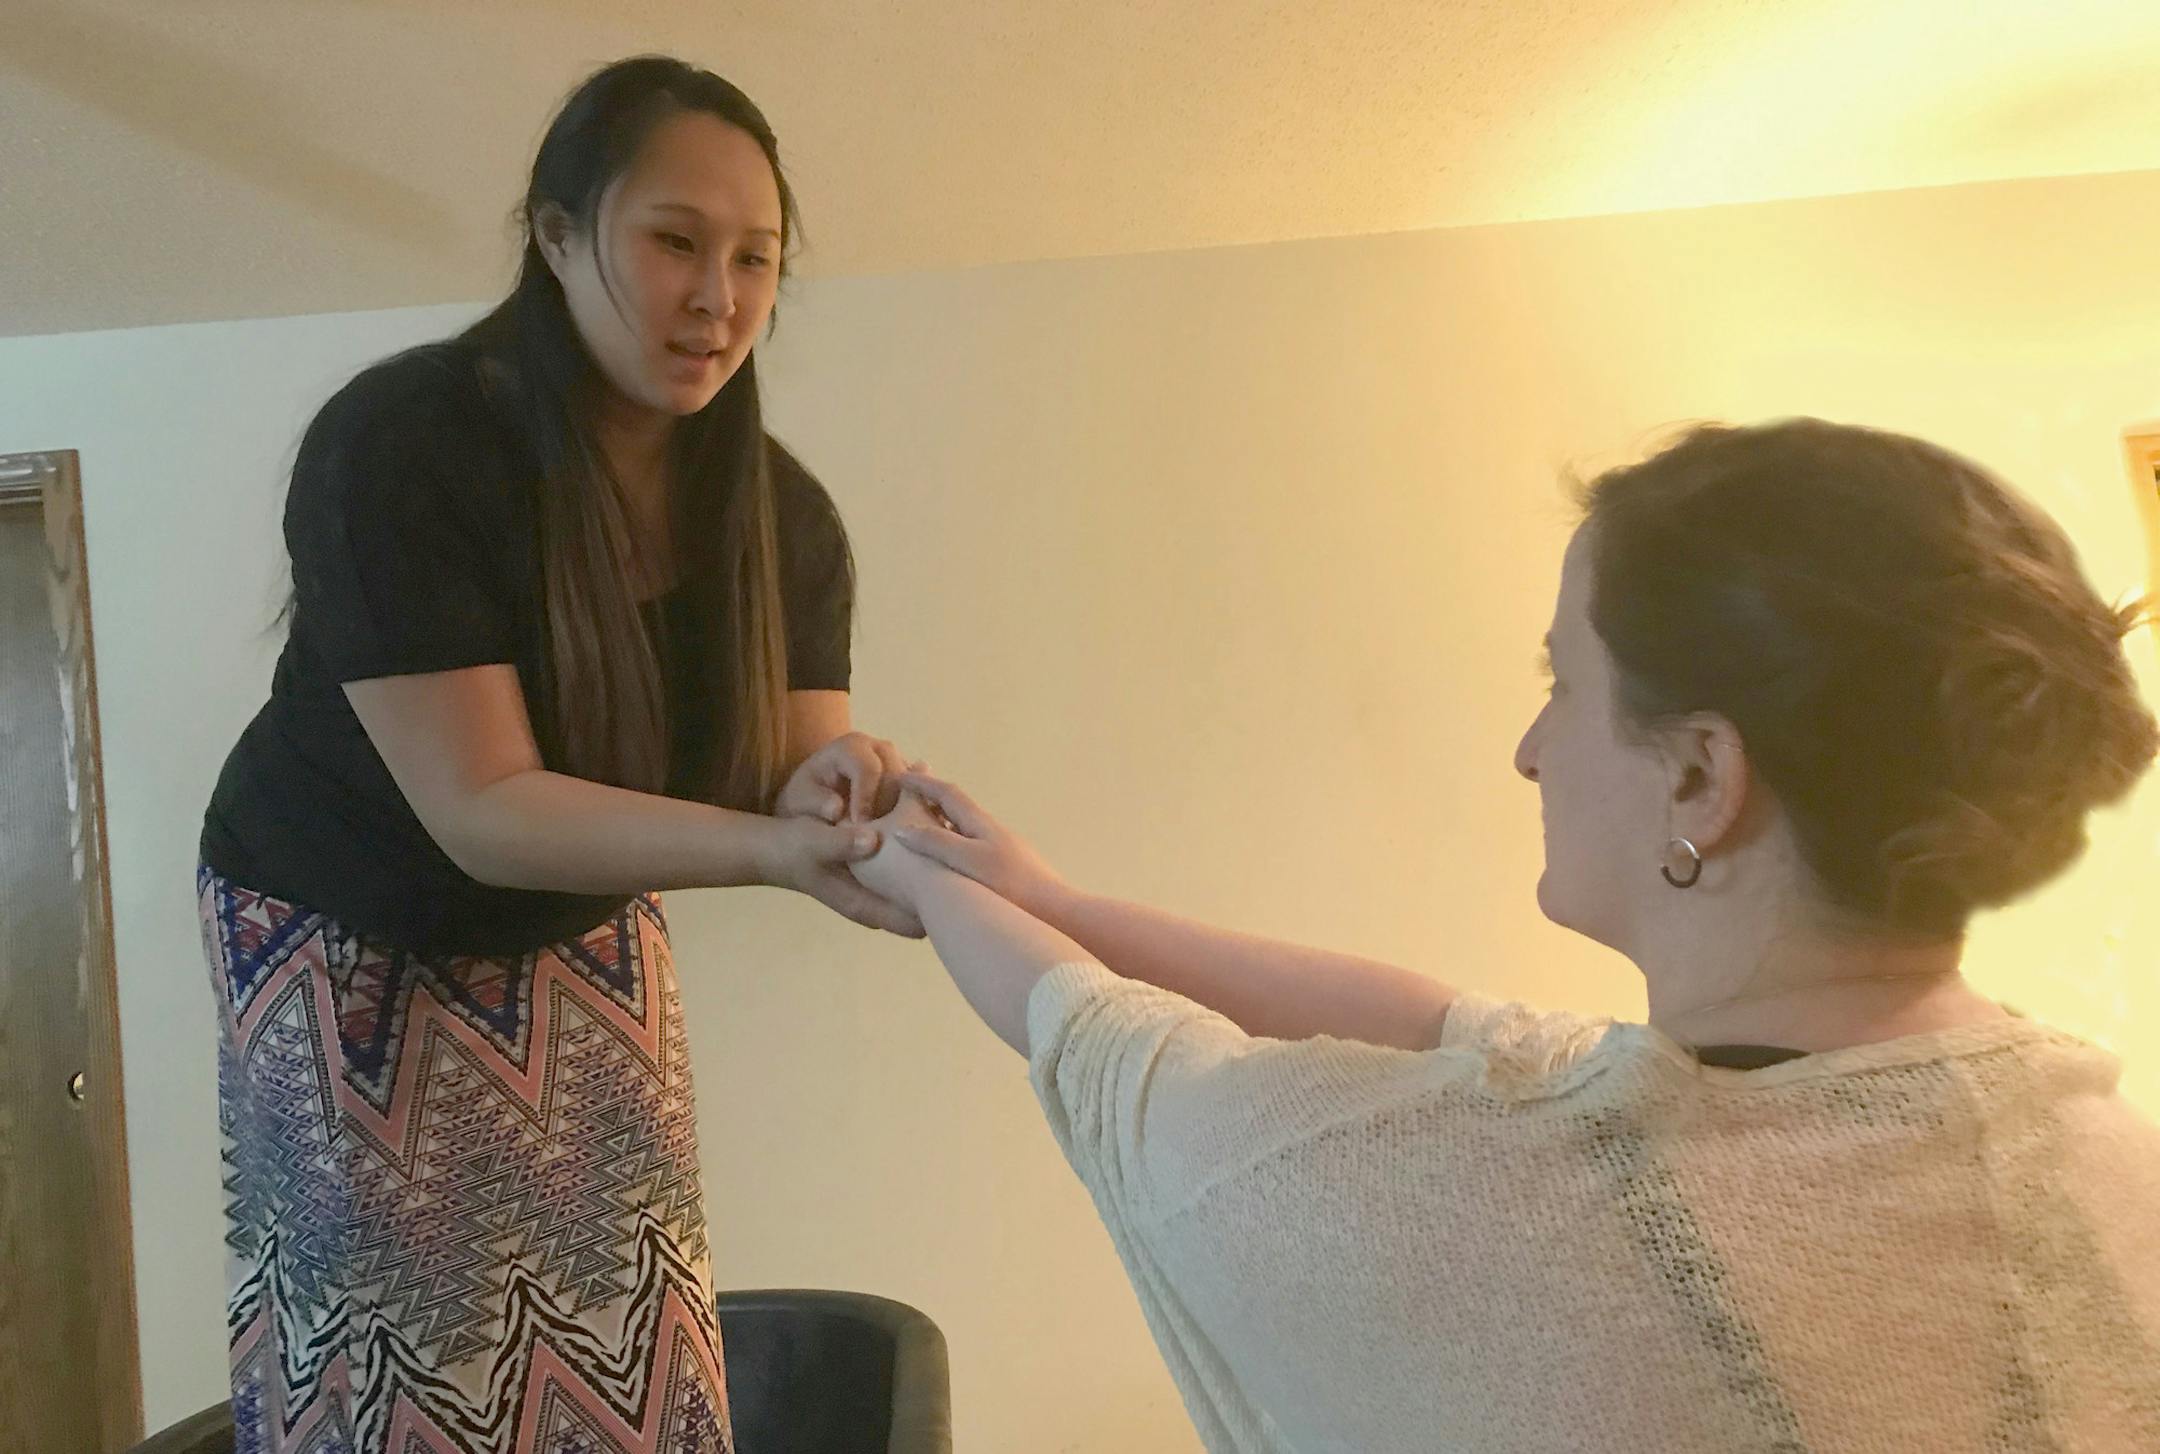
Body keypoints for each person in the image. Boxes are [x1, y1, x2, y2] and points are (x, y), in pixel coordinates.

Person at [856, 419, 2160, 1452]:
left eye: (1564, 684)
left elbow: (1100, 1048)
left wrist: (904, 860)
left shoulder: (1470, 1205)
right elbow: (1455, 1023)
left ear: (1703, 775)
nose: (1530, 750)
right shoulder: (2109, 1158)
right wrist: (1054, 894)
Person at [197, 55, 915, 1454]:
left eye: (755, 259)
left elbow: (787, 766)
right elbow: (484, 807)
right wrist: (778, 848)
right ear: (556, 233)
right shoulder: (402, 448)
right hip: (339, 927)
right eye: (674, 242)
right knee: (401, 1342)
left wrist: (836, 789)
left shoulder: (787, 517)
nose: (719, 296)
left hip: (575, 920)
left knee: (631, 1317)